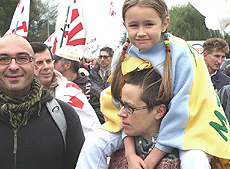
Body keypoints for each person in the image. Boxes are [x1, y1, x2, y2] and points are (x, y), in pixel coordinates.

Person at [76, 0, 230, 169]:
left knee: (196, 160)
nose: (141, 32)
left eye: (149, 24)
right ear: (125, 25)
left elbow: (181, 111)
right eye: (134, 25)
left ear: (165, 23)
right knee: (94, 143)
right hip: (135, 127)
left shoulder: (183, 54)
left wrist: (151, 160)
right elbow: (120, 110)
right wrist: (130, 154)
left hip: (187, 127)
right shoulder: (121, 55)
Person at [0, 34, 85, 169]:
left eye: (22, 58)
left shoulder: (65, 116)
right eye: (3, 59)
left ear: (35, 66)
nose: (14, 66)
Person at [108, 67, 180, 168]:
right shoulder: (117, 150)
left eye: (130, 107)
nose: (120, 113)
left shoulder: (182, 159)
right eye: (122, 104)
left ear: (159, 111)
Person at [30, 42, 101, 138]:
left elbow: (92, 133)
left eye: (49, 61)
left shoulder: (72, 92)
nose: (46, 67)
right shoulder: (16, 93)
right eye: (39, 63)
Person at [53, 46, 105, 124]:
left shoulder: (89, 92)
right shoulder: (53, 85)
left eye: (56, 61)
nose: (52, 64)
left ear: (67, 65)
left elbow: (98, 121)